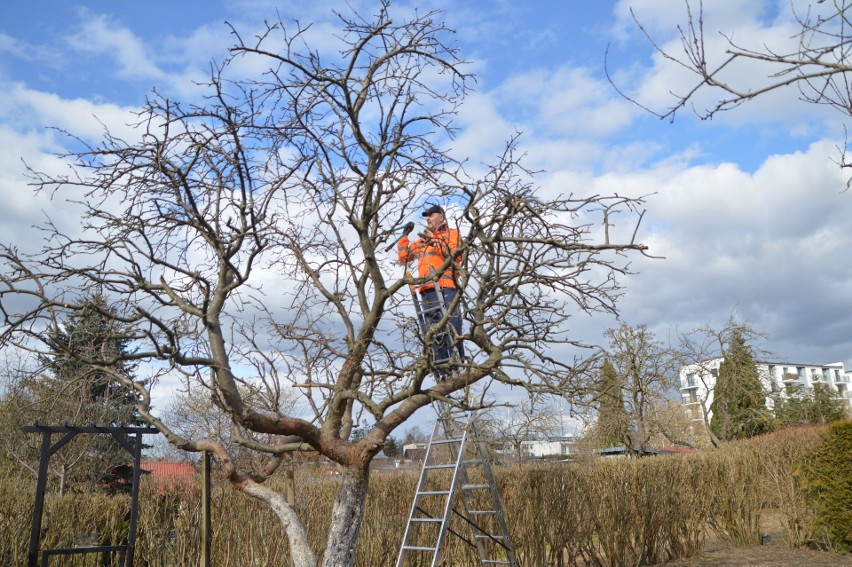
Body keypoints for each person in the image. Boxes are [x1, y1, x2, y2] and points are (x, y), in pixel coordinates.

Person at [398, 204, 465, 371]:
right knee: (433, 332)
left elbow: (453, 256)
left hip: (447, 287)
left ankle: (458, 361)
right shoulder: (422, 240)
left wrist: (434, 241)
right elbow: (404, 257)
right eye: (426, 216)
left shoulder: (452, 234)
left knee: (452, 325)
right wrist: (404, 236)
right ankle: (442, 369)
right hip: (427, 289)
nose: (427, 218)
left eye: (431, 215)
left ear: (441, 217)